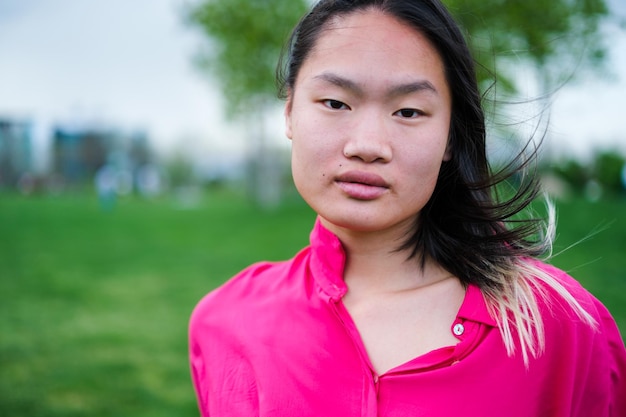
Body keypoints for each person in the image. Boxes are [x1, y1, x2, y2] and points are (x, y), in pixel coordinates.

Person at [189, 0, 626, 415]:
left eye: (409, 111)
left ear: (451, 137)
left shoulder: (558, 326)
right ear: (289, 113)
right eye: (335, 103)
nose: (367, 146)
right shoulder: (227, 322)